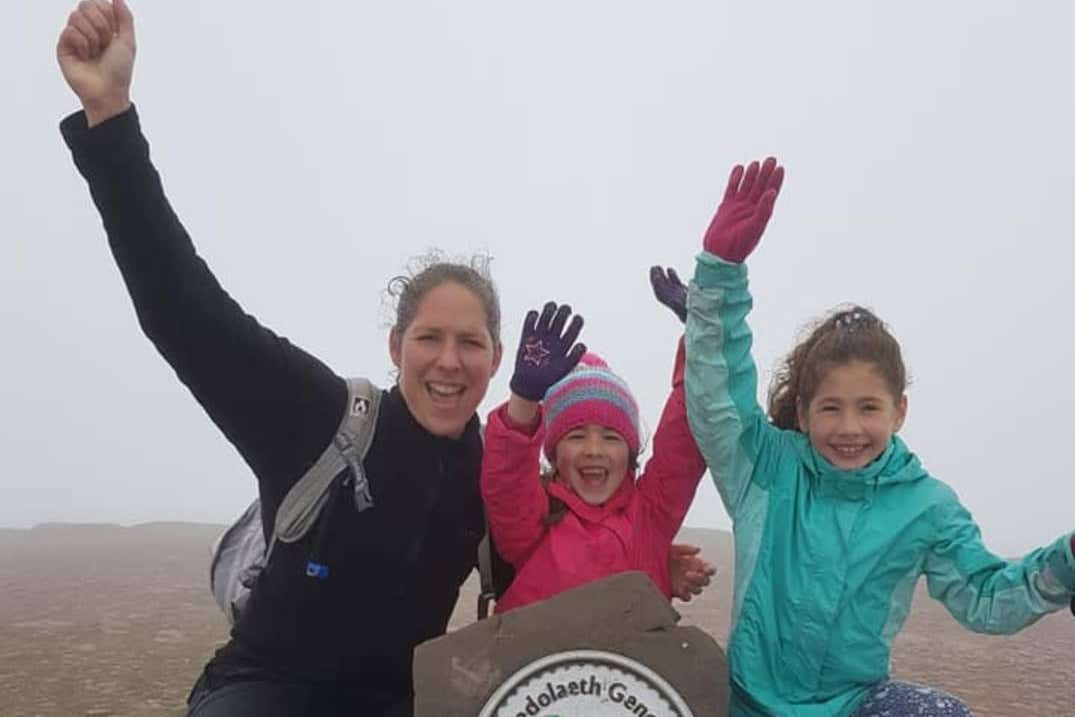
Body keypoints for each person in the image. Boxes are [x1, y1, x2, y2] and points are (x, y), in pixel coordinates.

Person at [55, 2, 712, 713]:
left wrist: (650, 564)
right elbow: (183, 311)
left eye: (470, 344)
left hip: (398, 700)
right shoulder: (321, 416)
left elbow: (562, 550)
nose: (448, 362)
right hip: (263, 689)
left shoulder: (490, 472)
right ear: (396, 345)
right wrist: (111, 116)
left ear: (496, 361)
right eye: (429, 338)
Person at [661, 156, 1075, 716]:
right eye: (830, 408)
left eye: (869, 408)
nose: (849, 427)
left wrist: (1065, 565)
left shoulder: (926, 506)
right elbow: (718, 396)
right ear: (803, 414)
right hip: (744, 702)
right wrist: (720, 274)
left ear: (899, 411)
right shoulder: (766, 471)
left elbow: (985, 598)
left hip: (855, 705)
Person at [481, 300, 708, 612]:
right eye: (575, 436)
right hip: (541, 659)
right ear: (554, 452)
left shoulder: (651, 517)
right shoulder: (534, 520)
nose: (594, 450)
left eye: (611, 437)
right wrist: (523, 400)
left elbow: (682, 441)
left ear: (630, 453)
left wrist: (702, 338)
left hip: (629, 659)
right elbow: (507, 478)